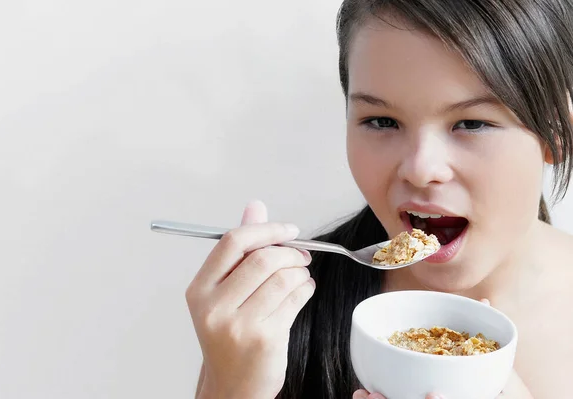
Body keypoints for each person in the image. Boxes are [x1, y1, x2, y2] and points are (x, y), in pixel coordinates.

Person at [184, 0, 573, 398]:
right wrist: (229, 387)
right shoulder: (279, 326)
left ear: (558, 131)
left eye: (471, 123)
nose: (420, 170)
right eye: (382, 121)